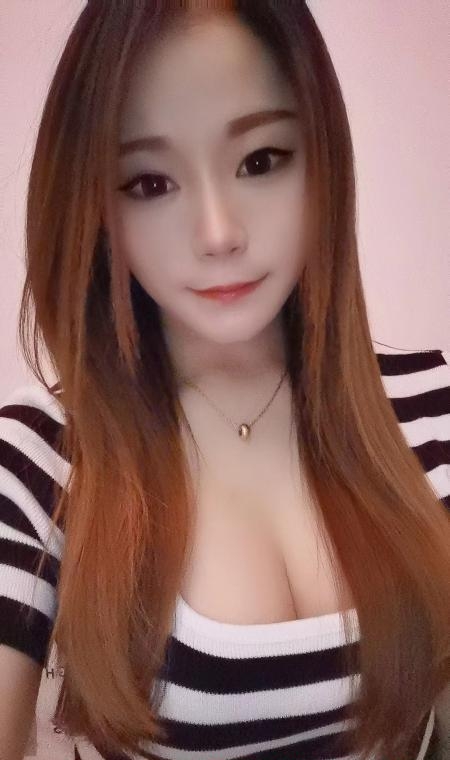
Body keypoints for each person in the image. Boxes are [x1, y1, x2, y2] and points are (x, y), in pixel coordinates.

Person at [0, 2, 448, 759]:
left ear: (322, 159)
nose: (218, 233)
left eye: (260, 161)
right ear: (94, 205)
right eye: (149, 182)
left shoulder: (429, 407)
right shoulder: (42, 460)